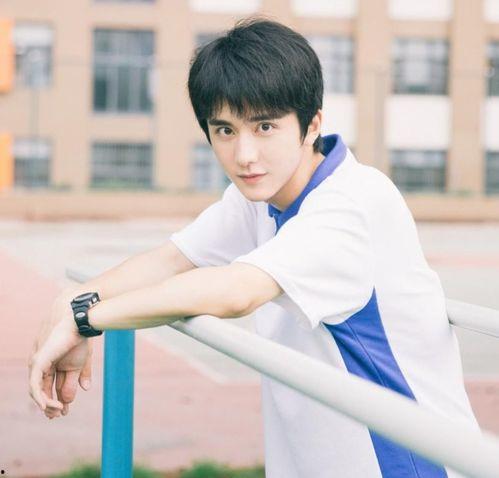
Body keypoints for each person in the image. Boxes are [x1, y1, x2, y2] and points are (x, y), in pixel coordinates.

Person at [29, 16, 480, 478]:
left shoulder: (350, 203)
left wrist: (86, 319)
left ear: (311, 125)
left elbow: (236, 292)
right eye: (225, 130)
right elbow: (169, 261)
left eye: (264, 127)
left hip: (405, 466)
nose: (244, 156)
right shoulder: (261, 198)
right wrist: (70, 301)